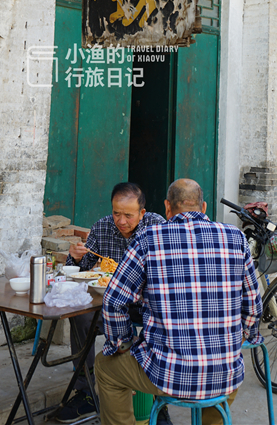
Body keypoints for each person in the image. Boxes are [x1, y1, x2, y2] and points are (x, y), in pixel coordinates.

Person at [94, 178, 263, 425]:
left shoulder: (147, 240)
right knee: (219, 389)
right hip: (226, 376)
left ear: (167, 207)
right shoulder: (236, 239)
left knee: (105, 367)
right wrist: (240, 337)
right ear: (203, 207)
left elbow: (112, 301)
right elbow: (253, 305)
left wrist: (122, 342)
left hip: (167, 376)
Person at [55, 182, 170, 424]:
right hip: (110, 305)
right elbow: (81, 271)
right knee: (80, 317)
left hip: (148, 307)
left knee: (160, 323)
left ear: (142, 213)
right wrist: (74, 257)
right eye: (116, 213)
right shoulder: (102, 227)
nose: (121, 220)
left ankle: (158, 406)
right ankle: (85, 392)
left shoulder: (158, 227)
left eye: (128, 215)